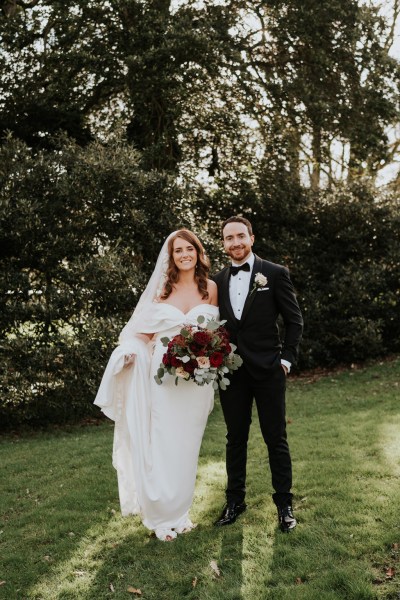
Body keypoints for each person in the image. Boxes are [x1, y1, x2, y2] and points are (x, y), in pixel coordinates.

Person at [94, 229, 218, 541]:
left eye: (189, 248)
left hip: (197, 383)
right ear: (171, 256)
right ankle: (160, 517)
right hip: (163, 378)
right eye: (178, 250)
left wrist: (211, 354)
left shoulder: (211, 289)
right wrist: (128, 352)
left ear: (197, 252)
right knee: (163, 444)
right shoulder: (161, 290)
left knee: (188, 449)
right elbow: (140, 334)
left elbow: (215, 332)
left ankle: (181, 512)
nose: (184, 254)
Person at [213, 216, 303, 532]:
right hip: (232, 374)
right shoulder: (217, 281)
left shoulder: (275, 274)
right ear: (223, 243)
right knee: (234, 439)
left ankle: (284, 506)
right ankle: (235, 502)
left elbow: (295, 321)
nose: (235, 243)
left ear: (252, 237)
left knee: (275, 439)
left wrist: (286, 360)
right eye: (228, 238)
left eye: (240, 236)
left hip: (268, 371)